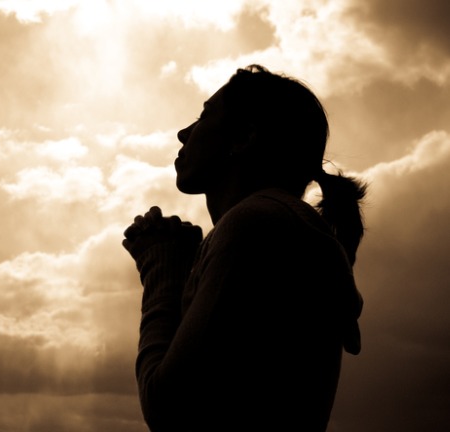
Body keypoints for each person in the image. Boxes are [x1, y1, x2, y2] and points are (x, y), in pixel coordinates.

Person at [122, 65, 366, 431]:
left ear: (243, 139)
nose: (184, 133)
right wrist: (185, 267)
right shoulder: (276, 225)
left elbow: (170, 408)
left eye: (204, 116)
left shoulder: (255, 226)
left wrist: (162, 275)